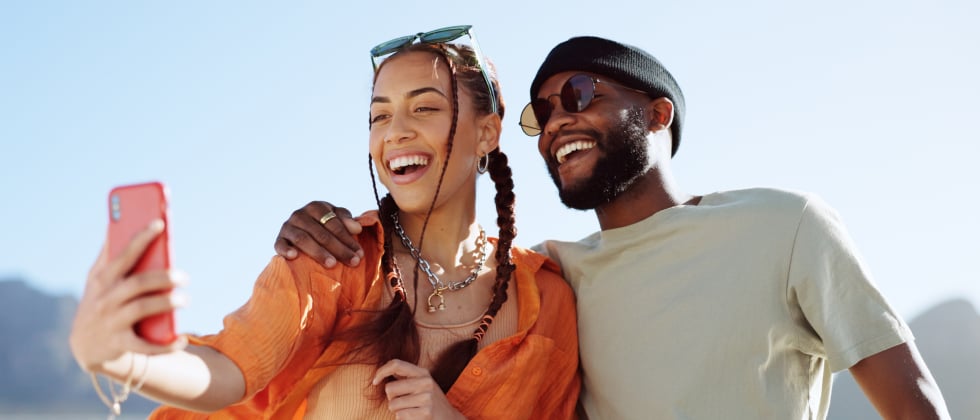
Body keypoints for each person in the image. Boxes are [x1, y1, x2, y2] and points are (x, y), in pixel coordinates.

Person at [273, 36, 951, 419]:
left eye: (580, 96)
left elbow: (911, 398)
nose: (557, 121)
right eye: (541, 113)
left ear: (657, 115)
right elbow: (427, 272)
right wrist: (327, 224)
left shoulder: (784, 223)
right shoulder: (548, 277)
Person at [69, 25, 579, 419]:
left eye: (424, 108)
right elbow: (230, 369)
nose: (395, 132)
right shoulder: (334, 259)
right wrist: (123, 358)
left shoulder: (548, 300)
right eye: (379, 116)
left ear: (487, 132)